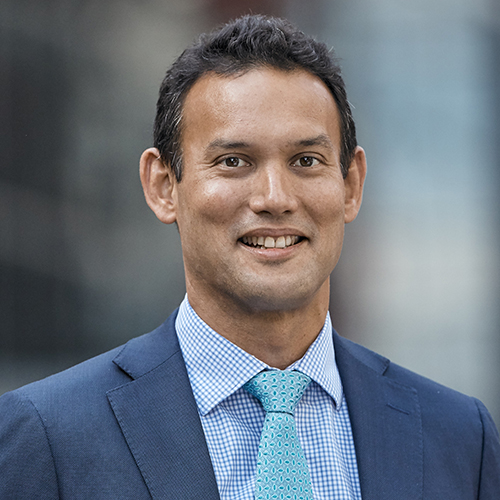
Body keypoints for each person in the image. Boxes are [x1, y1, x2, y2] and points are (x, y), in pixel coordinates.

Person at [0, 14, 499, 500]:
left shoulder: (459, 438)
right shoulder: (50, 437)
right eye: (234, 161)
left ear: (351, 184)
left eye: (306, 161)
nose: (275, 198)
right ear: (163, 186)